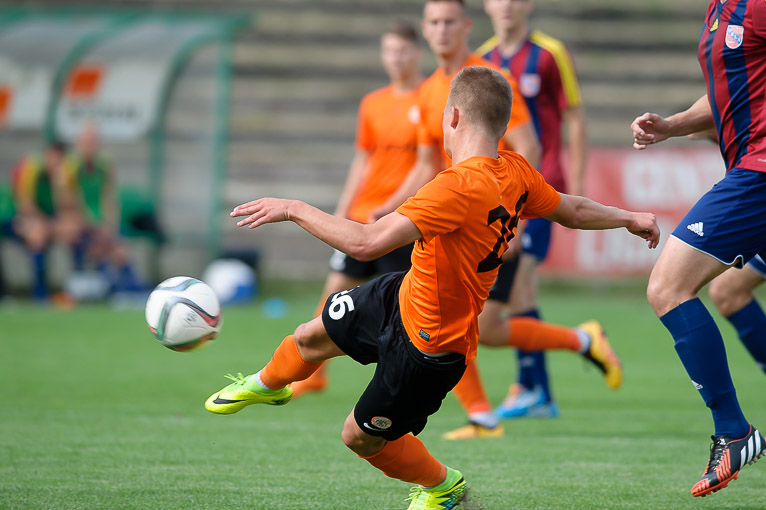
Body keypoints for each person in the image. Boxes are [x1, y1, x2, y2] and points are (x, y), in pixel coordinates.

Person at [206, 65, 659, 509]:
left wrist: (293, 208)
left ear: (453, 117)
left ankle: (443, 486)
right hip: (402, 295)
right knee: (310, 335)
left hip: (431, 347)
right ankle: (268, 384)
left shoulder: (455, 188)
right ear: (502, 125)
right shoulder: (515, 171)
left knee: (359, 437)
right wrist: (629, 217)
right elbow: (571, 210)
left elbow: (366, 243)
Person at [630, 0, 766, 497]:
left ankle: (734, 430)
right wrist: (672, 125)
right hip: (749, 167)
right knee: (729, 291)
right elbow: (730, 92)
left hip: (759, 172)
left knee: (669, 287)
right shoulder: (720, 9)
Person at [290, 20, 424, 398]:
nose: (395, 58)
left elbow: (426, 164)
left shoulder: (429, 100)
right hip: (362, 217)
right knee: (333, 292)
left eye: (402, 50)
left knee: (405, 305)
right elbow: (363, 160)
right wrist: (344, 208)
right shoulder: (373, 103)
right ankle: (312, 374)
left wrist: (391, 205)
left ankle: (413, 380)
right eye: (389, 51)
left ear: (417, 53)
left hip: (398, 221)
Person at [476, 0, 591, 421]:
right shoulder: (482, 59)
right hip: (496, 191)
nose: (507, 5)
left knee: (521, 280)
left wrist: (577, 184)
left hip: (540, 188)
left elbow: (574, 118)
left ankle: (533, 387)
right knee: (518, 290)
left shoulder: (549, 54)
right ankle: (535, 386)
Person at [60, 123, 141, 293]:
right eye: (86, 142)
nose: (90, 146)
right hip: (79, 219)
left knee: (119, 248)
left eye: (93, 141)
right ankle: (84, 279)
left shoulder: (104, 164)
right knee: (77, 234)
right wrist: (90, 222)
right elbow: (68, 200)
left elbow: (109, 197)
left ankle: (130, 285)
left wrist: (109, 223)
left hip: (99, 219)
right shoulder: (70, 166)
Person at [9, 140, 79, 300]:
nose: (57, 162)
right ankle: (39, 290)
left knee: (72, 229)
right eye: (54, 157)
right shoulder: (33, 168)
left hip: (47, 220)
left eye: (60, 159)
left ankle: (77, 285)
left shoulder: (62, 175)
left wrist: (59, 185)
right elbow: (24, 204)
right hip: (21, 219)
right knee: (37, 234)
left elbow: (65, 206)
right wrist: (44, 221)